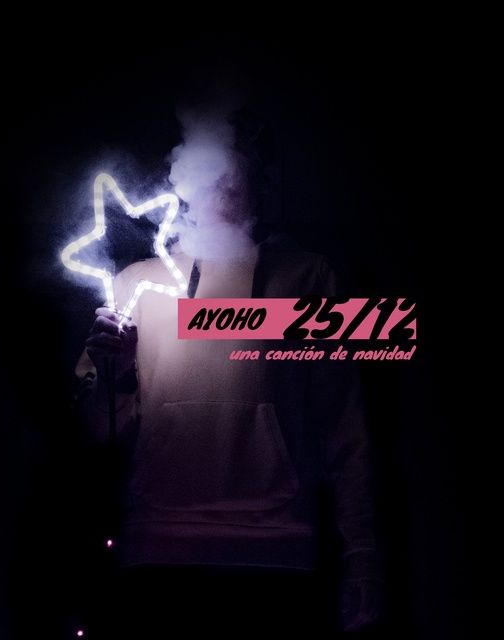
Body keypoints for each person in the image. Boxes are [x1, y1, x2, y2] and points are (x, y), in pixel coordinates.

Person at [74, 109, 381, 638]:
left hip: (280, 551)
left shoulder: (308, 277)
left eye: (242, 157)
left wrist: (364, 556)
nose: (226, 176)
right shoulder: (134, 285)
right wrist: (114, 376)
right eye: (216, 155)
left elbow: (346, 430)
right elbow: (98, 434)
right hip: (158, 548)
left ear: (260, 173)